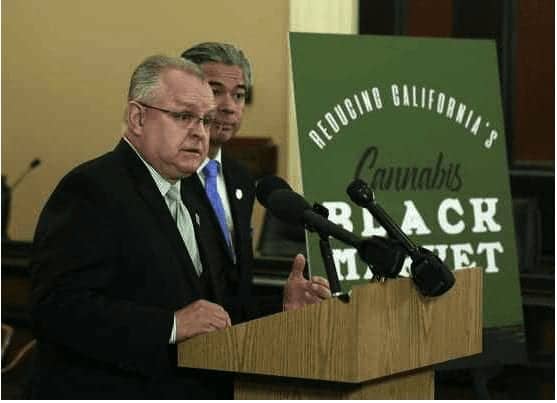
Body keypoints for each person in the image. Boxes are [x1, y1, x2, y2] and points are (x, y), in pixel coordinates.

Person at [29, 54, 329, 399]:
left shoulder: (192, 191)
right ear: (137, 117)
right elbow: (55, 309)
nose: (199, 133)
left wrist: (282, 307)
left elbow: (215, 309)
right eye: (184, 116)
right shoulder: (93, 189)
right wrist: (170, 325)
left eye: (204, 120)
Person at [180, 42, 329, 322]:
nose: (228, 107)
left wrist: (283, 305)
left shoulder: (240, 179)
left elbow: (236, 294)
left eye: (238, 95)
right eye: (215, 92)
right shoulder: (168, 178)